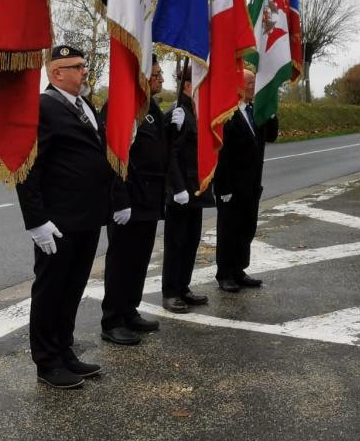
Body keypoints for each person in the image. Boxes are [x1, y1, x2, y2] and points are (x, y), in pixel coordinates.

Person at [16, 45, 128, 389]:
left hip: (87, 217)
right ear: (55, 73)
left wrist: (115, 200)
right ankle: (47, 361)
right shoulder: (43, 107)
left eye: (84, 66)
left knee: (72, 289)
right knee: (51, 290)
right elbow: (28, 166)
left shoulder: (83, 105)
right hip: (58, 221)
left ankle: (65, 351)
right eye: (76, 67)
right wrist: (36, 220)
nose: (84, 72)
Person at [98, 59, 172, 344]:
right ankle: (113, 319)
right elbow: (111, 154)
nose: (161, 79)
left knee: (140, 257)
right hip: (129, 198)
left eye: (160, 74)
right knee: (122, 259)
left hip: (150, 198)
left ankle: (130, 310)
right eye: (155, 75)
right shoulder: (120, 104)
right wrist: (119, 199)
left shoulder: (151, 107)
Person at [213, 67, 278, 292]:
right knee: (229, 230)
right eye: (251, 84)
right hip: (231, 185)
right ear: (239, 86)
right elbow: (222, 153)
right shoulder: (228, 114)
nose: (254, 88)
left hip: (251, 183)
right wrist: (224, 187)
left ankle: (239, 269)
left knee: (246, 229)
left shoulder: (255, 111)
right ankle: (225, 273)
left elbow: (271, 136)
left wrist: (271, 112)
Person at [162, 66, 213, 313]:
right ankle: (170, 291)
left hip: (196, 188)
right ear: (186, 85)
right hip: (180, 190)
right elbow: (169, 154)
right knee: (176, 242)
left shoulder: (197, 110)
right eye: (199, 81)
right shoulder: (178, 111)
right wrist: (177, 188)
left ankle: (183, 286)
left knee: (191, 240)